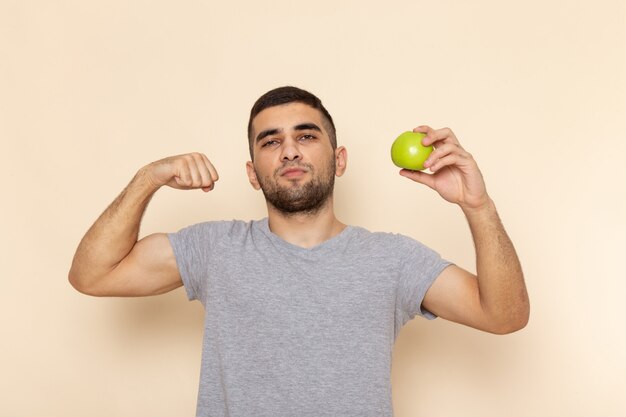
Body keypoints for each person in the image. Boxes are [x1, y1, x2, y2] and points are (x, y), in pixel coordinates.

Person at [69, 86, 529, 417]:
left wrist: (478, 206)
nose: (289, 151)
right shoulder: (214, 249)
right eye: (271, 142)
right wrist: (148, 178)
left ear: (339, 159)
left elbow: (504, 315)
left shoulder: (393, 260)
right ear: (253, 172)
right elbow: (92, 275)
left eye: (306, 136)